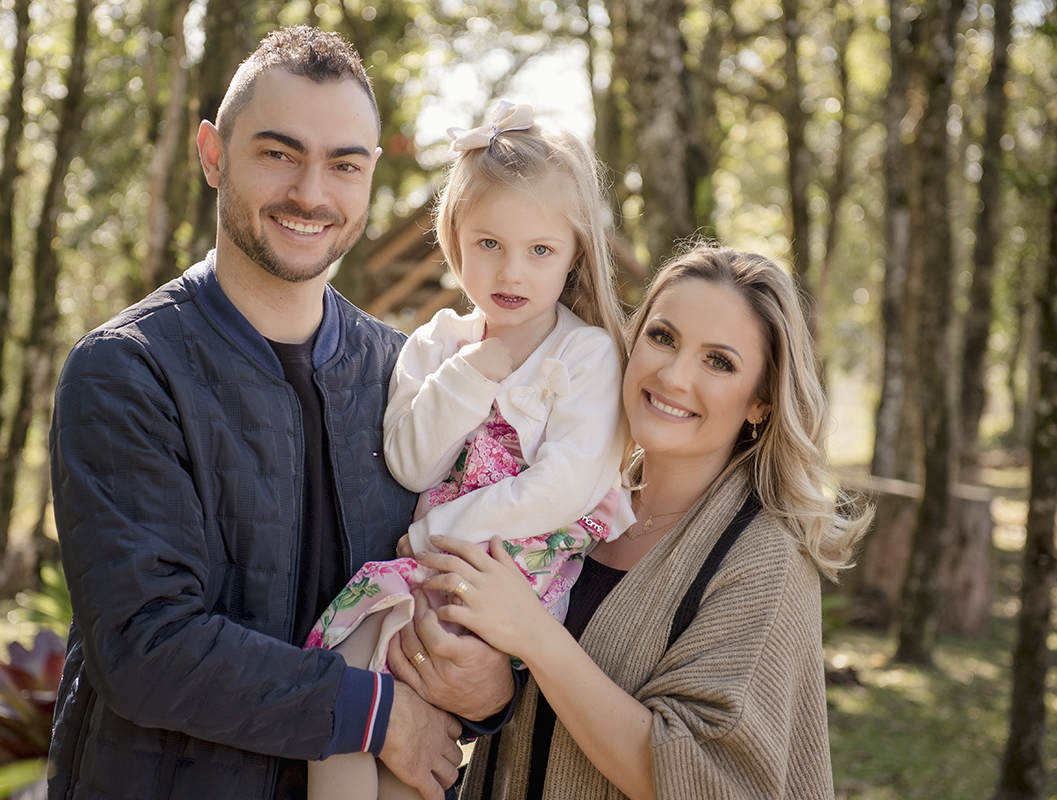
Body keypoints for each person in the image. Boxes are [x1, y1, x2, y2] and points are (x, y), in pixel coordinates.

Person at [46, 26, 513, 800]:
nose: (311, 192)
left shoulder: (411, 373)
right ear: (213, 154)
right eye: (278, 153)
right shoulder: (126, 370)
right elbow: (147, 645)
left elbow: (468, 566)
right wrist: (378, 715)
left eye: (344, 164)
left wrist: (492, 685)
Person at [414, 242, 871, 799]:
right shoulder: (569, 499)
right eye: (663, 337)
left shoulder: (765, 560)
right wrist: (491, 694)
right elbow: (535, 706)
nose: (675, 376)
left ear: (761, 402)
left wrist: (535, 638)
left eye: (719, 361)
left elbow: (706, 780)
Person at [303, 102, 632, 800]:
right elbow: (412, 462)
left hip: (502, 589)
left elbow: (566, 486)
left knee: (418, 763)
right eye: (488, 244)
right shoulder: (437, 347)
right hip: (416, 575)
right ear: (454, 238)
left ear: (574, 253)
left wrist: (439, 532)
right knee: (344, 698)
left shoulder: (584, 355)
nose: (511, 271)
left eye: (540, 250)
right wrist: (472, 371)